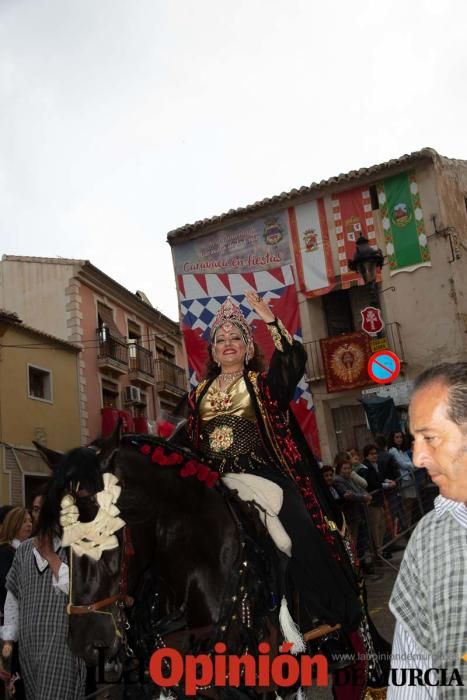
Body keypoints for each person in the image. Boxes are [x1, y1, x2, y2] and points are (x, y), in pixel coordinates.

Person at [179, 293, 362, 635]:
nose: (228, 343)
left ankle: (323, 612)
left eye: (236, 338)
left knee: (303, 525)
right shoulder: (197, 395)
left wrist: (270, 320)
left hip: (263, 474)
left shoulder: (262, 386)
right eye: (221, 340)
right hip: (214, 480)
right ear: (213, 352)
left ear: (248, 349)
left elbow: (291, 361)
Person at [389, 363, 467, 698]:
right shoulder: (428, 536)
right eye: (414, 440)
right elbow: (412, 668)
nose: (418, 457)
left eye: (429, 438)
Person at [2, 498, 86, 698]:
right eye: (37, 509)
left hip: (62, 645)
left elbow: (75, 591)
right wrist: (8, 640)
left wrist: (51, 556)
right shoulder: (23, 550)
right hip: (29, 647)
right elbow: (13, 598)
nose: (41, 514)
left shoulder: (75, 548)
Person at [333, 454, 371, 548]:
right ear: (339, 469)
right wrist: (363, 497)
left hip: (356, 513)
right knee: (351, 540)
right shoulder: (338, 480)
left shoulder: (350, 479)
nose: (347, 471)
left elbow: (358, 490)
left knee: (355, 539)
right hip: (349, 515)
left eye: (349, 468)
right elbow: (349, 495)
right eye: (344, 468)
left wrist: (364, 494)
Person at [388, 431, 418, 529]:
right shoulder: (392, 450)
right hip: (403, 478)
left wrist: (410, 465)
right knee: (405, 504)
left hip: (409, 477)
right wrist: (412, 466)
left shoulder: (402, 450)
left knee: (410, 504)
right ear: (393, 439)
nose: (399, 439)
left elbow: (408, 462)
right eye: (397, 437)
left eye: (400, 437)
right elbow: (402, 464)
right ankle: (405, 527)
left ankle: (408, 525)